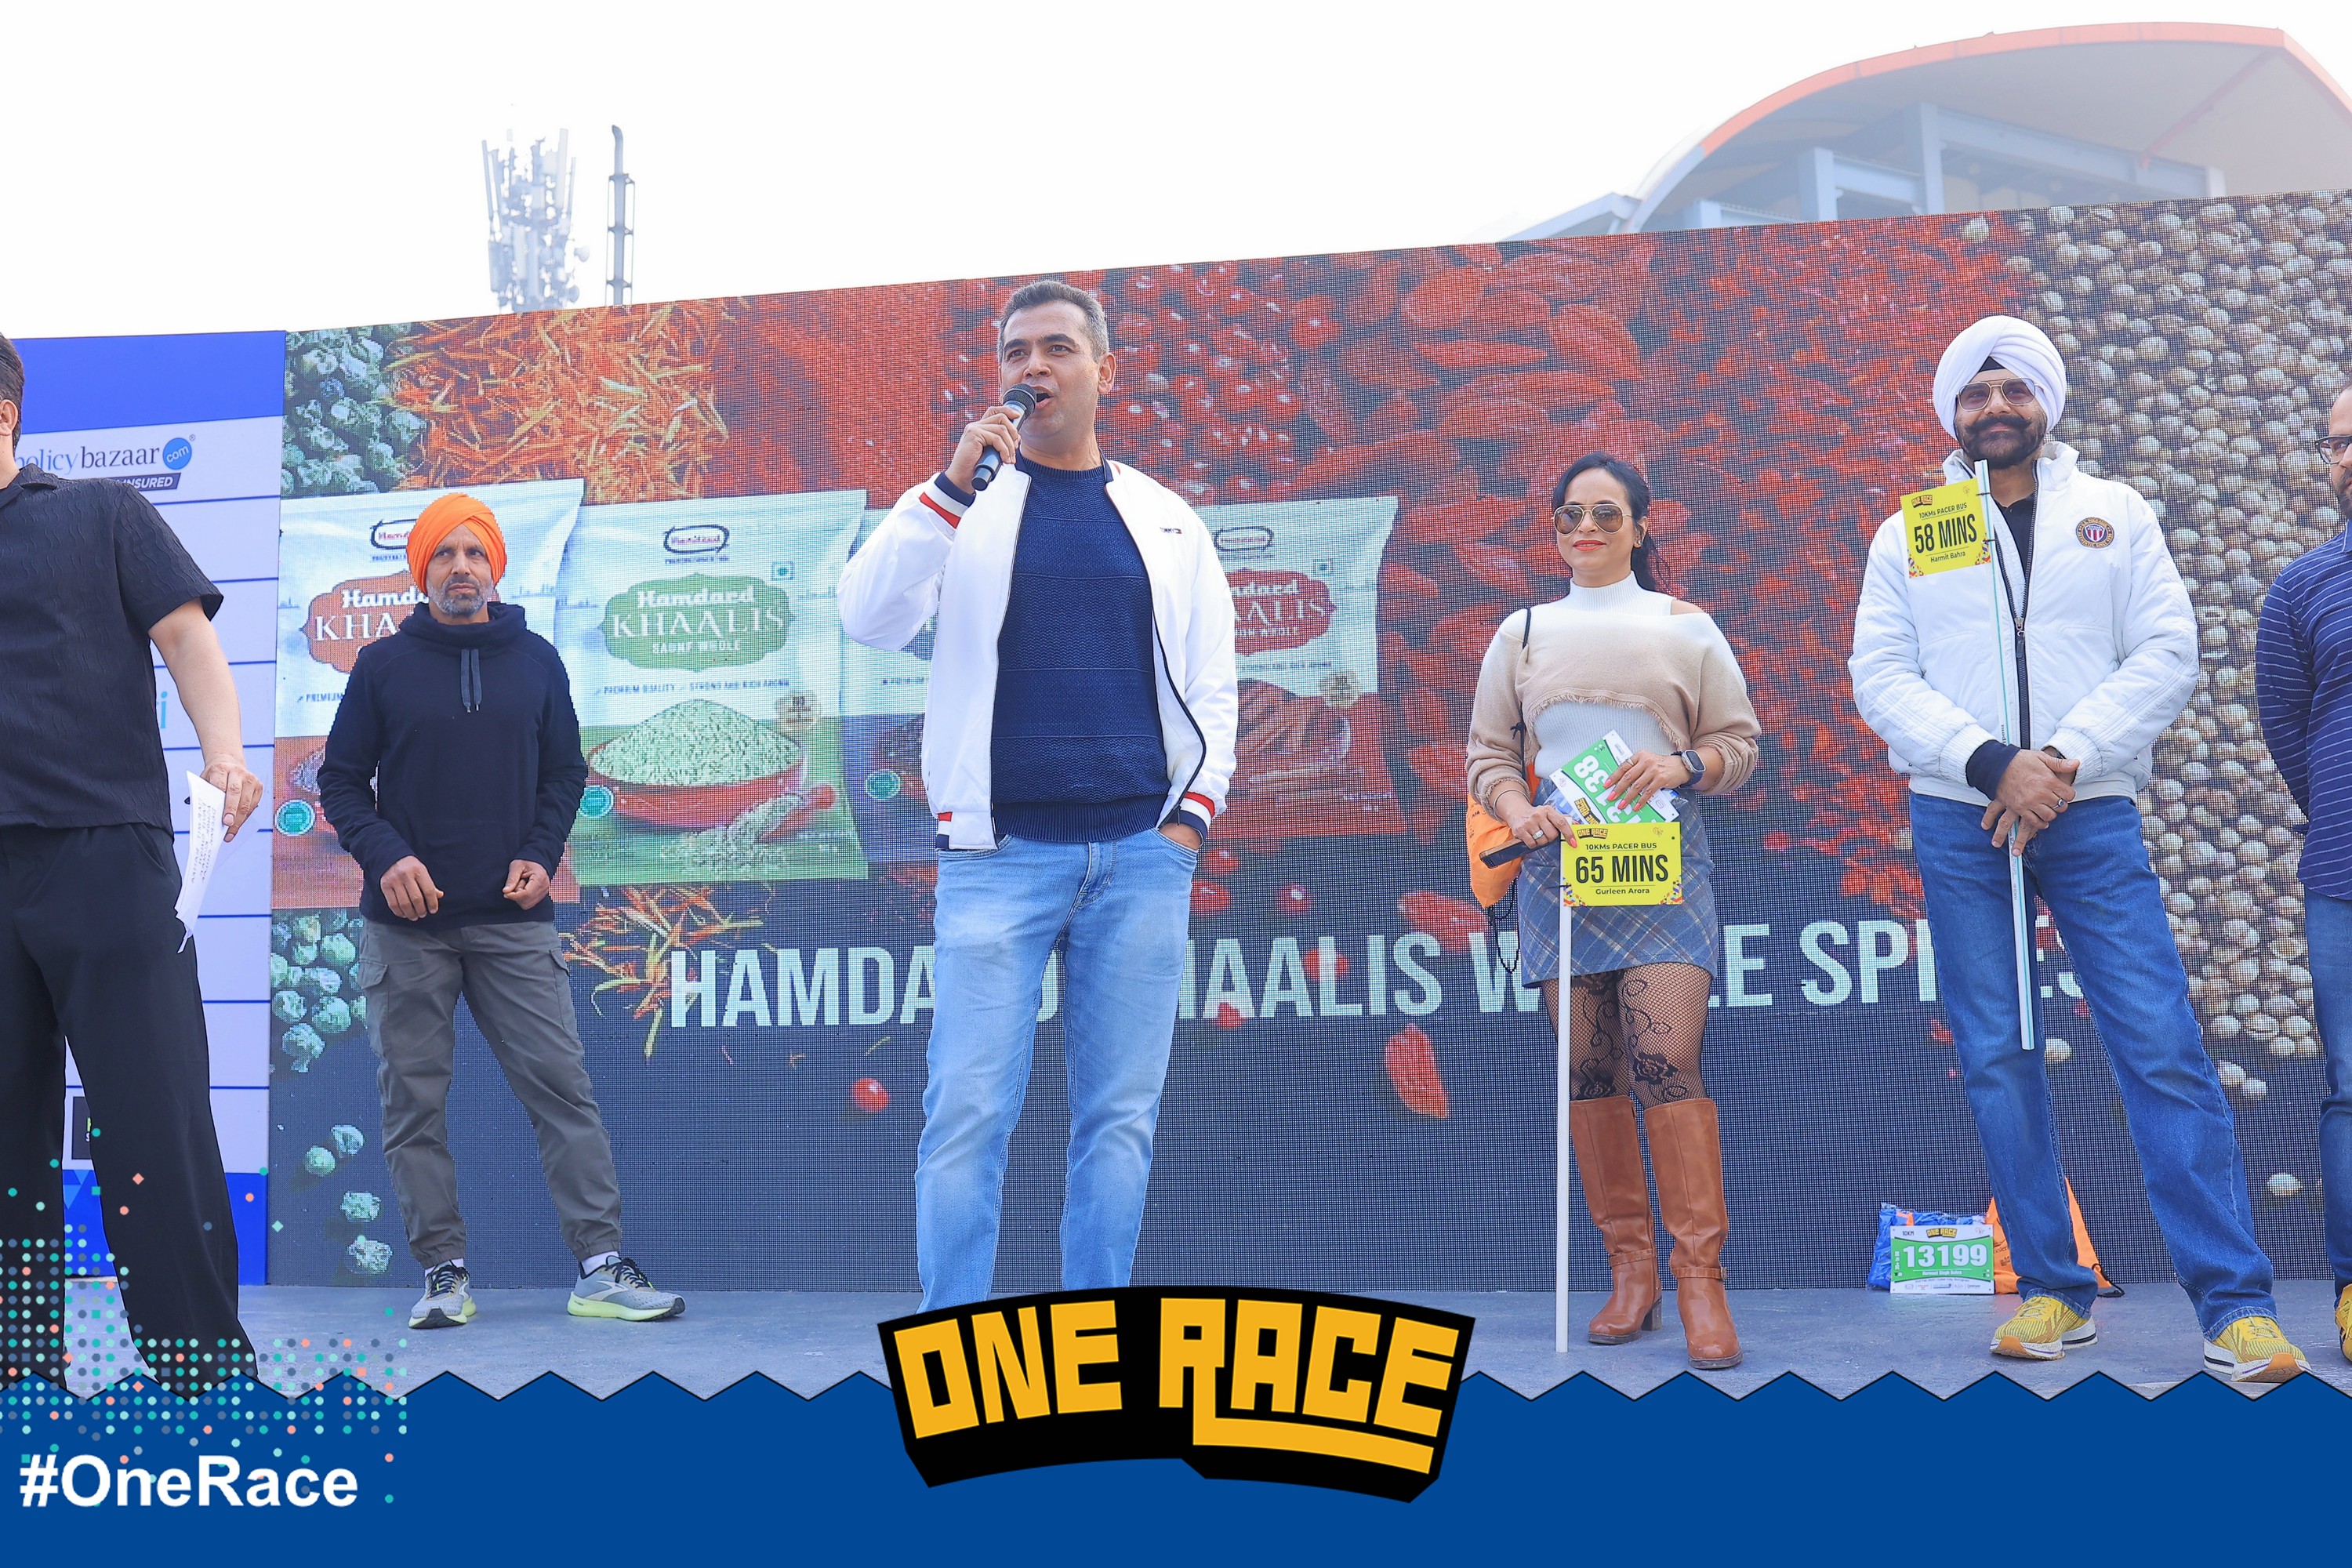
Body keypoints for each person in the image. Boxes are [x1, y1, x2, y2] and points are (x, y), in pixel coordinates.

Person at [1851, 315, 2305, 1381]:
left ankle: (2235, 1306)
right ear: (1952, 411)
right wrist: (1988, 763)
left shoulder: (2115, 512)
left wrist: (2061, 757)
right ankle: (2054, 1291)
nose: (1995, 407)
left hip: (2088, 808)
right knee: (1998, 1055)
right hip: (1962, 817)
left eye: (2014, 388)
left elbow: (2167, 649)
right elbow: (1882, 675)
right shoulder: (1910, 530)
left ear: (2046, 403)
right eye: (1975, 392)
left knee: (2159, 1043)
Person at [839, 278, 1237, 1312]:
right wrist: (945, 490)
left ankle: (1094, 1340)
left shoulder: (1166, 519)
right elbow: (867, 617)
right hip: (997, 860)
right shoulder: (962, 506)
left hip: (1141, 856)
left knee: (1119, 1122)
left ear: (1105, 371)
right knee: (965, 1116)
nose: (1033, 367)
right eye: (1016, 352)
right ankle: (953, 1348)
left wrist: (1188, 822)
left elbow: (1213, 685)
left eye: (1057, 347)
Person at [318, 492, 683, 1330]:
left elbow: (565, 773)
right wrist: (388, 856)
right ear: (422, 571)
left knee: (564, 1092)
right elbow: (340, 781)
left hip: (515, 923)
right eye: (443, 554)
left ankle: (600, 1268)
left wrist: (541, 852)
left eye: (474, 553)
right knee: (413, 1105)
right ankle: (443, 1274)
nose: (461, 568)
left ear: (496, 568)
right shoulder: (380, 665)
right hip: (406, 928)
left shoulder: (537, 660)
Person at [0, 330, 262, 1396]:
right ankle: (17, 1372)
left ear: (4, 412)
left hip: (106, 853)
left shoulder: (101, 512)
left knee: (154, 1118)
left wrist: (226, 754)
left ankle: (202, 1372)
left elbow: (188, 639)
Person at [1466, 453, 1762, 1370]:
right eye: (1569, 514)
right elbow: (1486, 755)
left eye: (1605, 512)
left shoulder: (1687, 626)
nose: (1586, 528)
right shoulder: (1521, 632)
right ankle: (1630, 1273)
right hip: (1562, 863)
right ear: (1554, 529)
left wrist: (1681, 765)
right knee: (1589, 1067)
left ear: (1640, 525)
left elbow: (1739, 744)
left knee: (1667, 1057)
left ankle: (1700, 1279)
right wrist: (1518, 809)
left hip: (1662, 858)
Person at [2255, 383, 2352, 1366]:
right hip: (2346, 870)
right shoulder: (2303, 587)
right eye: (2337, 444)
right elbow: (2285, 722)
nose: (2347, 458)